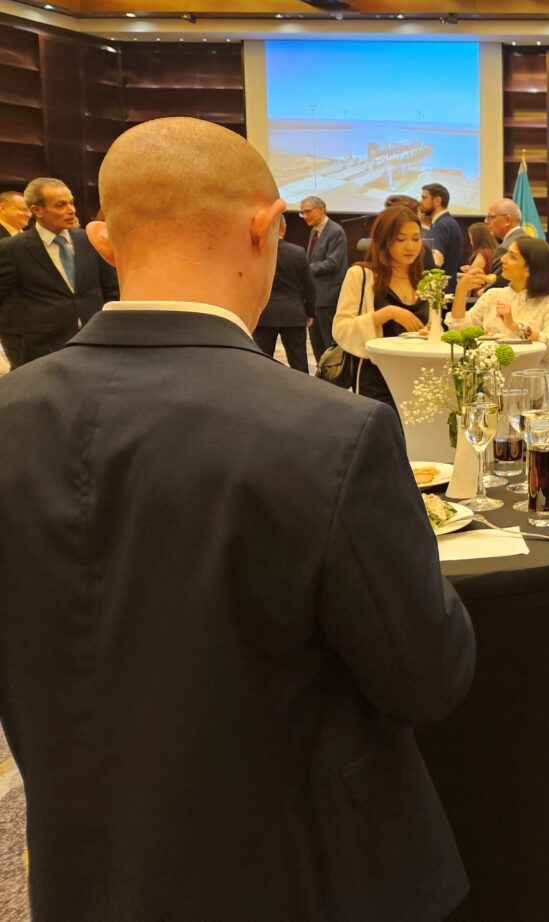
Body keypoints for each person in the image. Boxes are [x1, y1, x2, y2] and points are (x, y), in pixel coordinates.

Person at [0, 116, 475, 921]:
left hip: (83, 872)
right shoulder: (333, 432)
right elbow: (427, 678)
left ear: (105, 241)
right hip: (301, 875)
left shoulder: (9, 416)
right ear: (266, 226)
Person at [0, 177, 119, 368]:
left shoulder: (89, 240)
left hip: (95, 339)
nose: (71, 210)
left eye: (71, 203)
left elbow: (111, 289)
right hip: (44, 349)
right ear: (37, 210)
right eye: (61, 205)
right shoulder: (13, 249)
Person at [451, 236, 549, 418]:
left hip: (540, 394)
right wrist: (460, 291)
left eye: (512, 257)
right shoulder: (493, 295)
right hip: (494, 390)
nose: (503, 259)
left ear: (529, 268)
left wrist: (515, 327)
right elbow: (460, 331)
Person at [332, 206, 428, 406]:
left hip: (418, 379)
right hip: (376, 380)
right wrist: (387, 313)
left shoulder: (423, 279)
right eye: (400, 239)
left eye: (416, 239)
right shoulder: (361, 275)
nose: (410, 246)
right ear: (384, 241)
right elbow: (341, 329)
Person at [254, 215, 316, 373]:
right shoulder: (298, 252)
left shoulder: (258, 252)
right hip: (293, 315)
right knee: (299, 363)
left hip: (265, 315)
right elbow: (309, 287)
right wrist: (309, 313)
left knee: (261, 362)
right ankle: (302, 389)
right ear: (284, 227)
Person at [299, 195, 347, 361]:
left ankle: (332, 374)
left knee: (329, 343)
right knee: (316, 343)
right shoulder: (314, 231)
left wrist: (305, 269)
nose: (305, 216)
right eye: (302, 213)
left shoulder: (335, 231)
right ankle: (321, 372)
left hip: (328, 297)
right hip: (314, 297)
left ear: (321, 210)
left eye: (307, 211)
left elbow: (333, 263)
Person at [421, 183, 463, 290]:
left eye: (424, 198)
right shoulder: (448, 222)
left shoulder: (441, 226)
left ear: (437, 201)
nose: (421, 202)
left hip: (441, 289)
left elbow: (433, 262)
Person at [480, 198, 527, 291]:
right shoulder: (527, 239)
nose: (486, 221)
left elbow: (496, 288)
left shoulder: (506, 248)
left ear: (507, 220)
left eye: (491, 217)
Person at [461, 221, 498, 297]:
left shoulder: (482, 254)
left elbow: (471, 275)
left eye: (471, 239)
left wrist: (457, 274)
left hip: (479, 293)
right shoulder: (496, 250)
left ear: (477, 239)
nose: (470, 242)